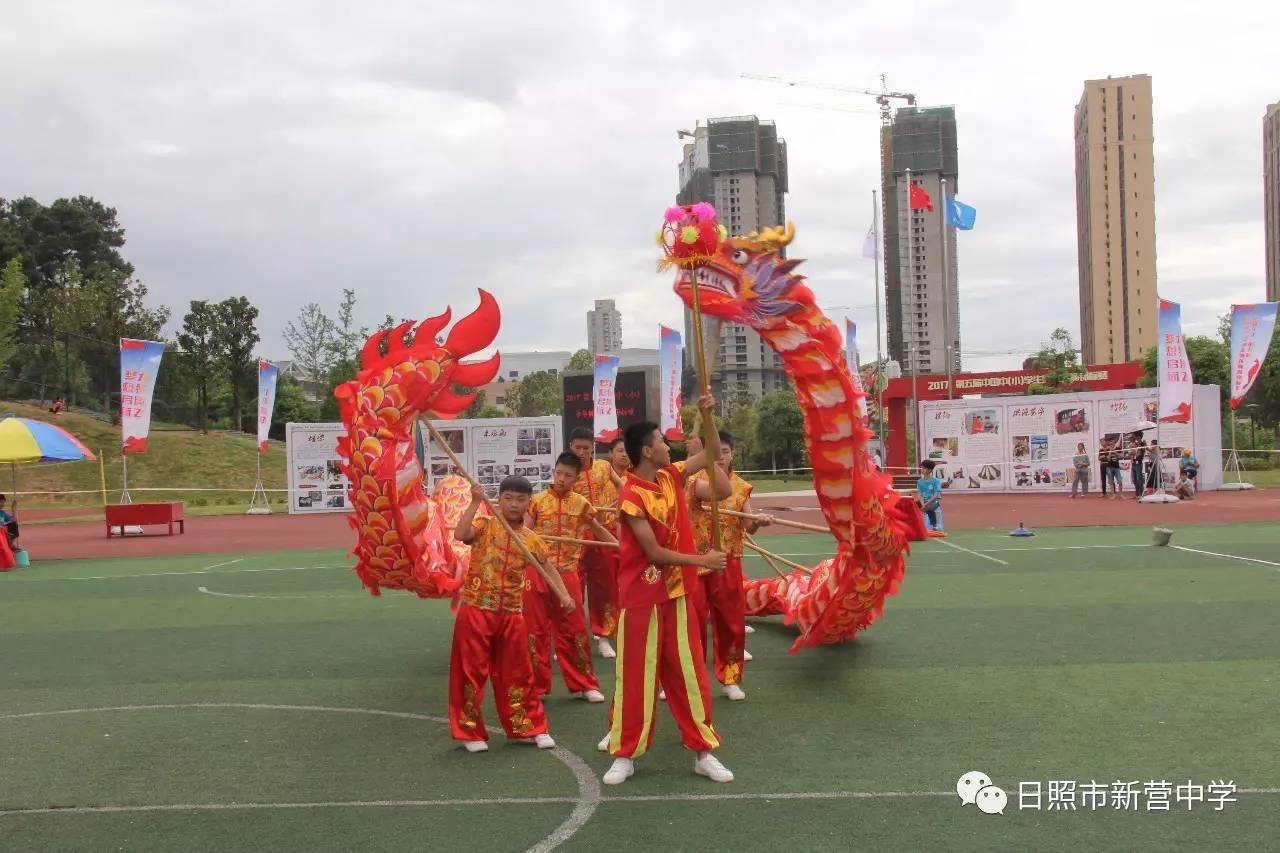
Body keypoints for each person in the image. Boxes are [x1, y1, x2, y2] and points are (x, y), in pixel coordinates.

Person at [600, 400, 733, 787]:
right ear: (646, 450)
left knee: (688, 673)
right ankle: (624, 754)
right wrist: (703, 560)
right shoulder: (632, 496)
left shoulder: (671, 477)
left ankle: (703, 751)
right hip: (642, 600)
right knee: (636, 676)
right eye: (661, 441)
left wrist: (708, 414)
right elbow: (654, 553)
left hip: (676, 596)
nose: (667, 446)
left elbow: (709, 454)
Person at [450, 477, 574, 753]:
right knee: (471, 673)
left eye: (520, 499)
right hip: (477, 609)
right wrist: (474, 501)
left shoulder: (532, 540)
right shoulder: (485, 525)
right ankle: (469, 732)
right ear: (500, 500)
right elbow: (460, 534)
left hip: (511, 613)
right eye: (508, 498)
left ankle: (530, 728)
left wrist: (564, 594)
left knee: (519, 673)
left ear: (529, 503)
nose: (514, 504)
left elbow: (548, 569)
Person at [526, 452, 617, 703]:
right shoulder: (536, 501)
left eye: (567, 475)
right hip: (537, 571)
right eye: (558, 473)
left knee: (575, 630)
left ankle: (584, 684)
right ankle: (536, 686)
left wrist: (621, 546)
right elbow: (523, 532)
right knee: (535, 631)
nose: (561, 479)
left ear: (576, 479)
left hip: (567, 573)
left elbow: (599, 531)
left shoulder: (582, 505)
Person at [688, 430, 771, 702]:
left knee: (731, 623)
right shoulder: (692, 481)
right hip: (695, 563)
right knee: (692, 622)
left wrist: (758, 521)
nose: (720, 457)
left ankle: (730, 678)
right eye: (715, 452)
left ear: (732, 454)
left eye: (724, 451)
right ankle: (686, 678)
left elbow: (749, 526)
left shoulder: (741, 488)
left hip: (728, 563)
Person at [568, 427, 625, 659]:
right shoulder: (568, 472)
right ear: (570, 447)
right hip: (577, 536)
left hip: (603, 534)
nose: (581, 452)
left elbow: (622, 485)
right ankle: (571, 637)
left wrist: (623, 503)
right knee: (573, 587)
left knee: (604, 586)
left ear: (593, 447)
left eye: (585, 448)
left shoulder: (603, 466)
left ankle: (603, 635)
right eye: (577, 448)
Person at [916, 460, 943, 531]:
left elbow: (936, 495)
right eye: (921, 468)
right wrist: (922, 504)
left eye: (923, 468)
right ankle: (916, 526)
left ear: (929, 470)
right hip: (924, 502)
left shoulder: (936, 481)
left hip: (934, 501)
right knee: (912, 505)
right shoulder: (919, 482)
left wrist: (926, 504)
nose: (921, 469)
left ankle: (935, 525)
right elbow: (919, 494)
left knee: (929, 508)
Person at [1129, 433, 1147, 498]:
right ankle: (1137, 494)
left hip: (1138, 463)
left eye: (1136, 436)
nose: (1135, 437)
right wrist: (1132, 453)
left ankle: (1141, 493)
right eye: (1134, 436)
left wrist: (1134, 452)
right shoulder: (1135, 444)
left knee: (1139, 479)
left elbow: (1139, 454)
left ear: (1139, 436)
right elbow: (1131, 453)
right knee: (1134, 480)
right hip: (1133, 463)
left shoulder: (1142, 444)